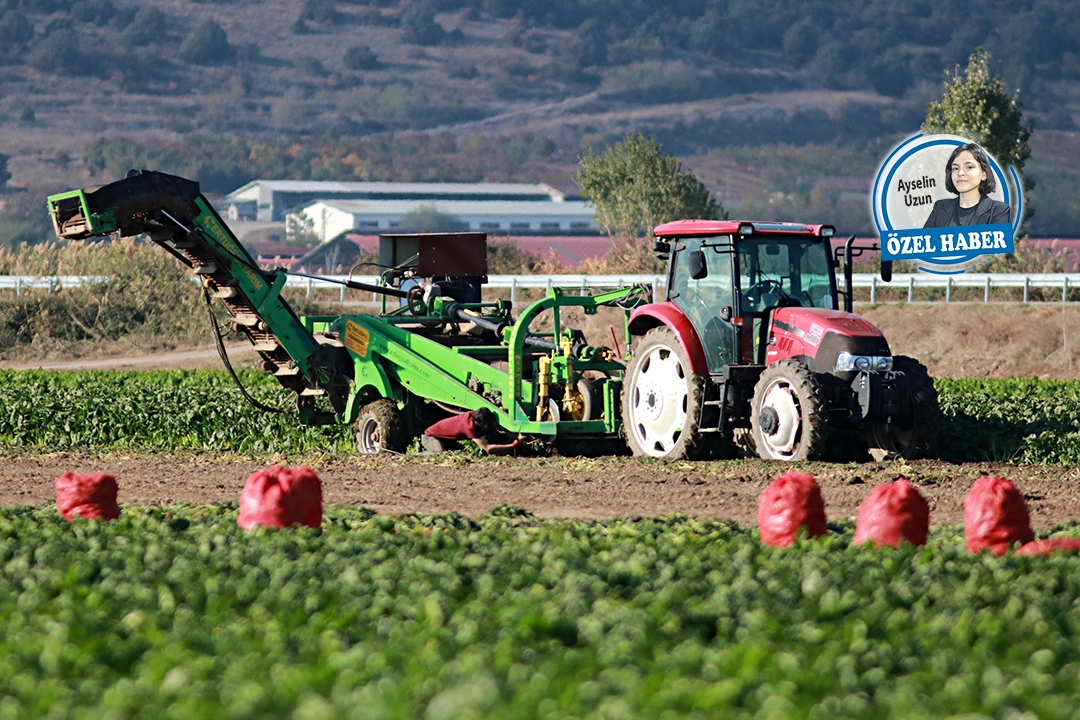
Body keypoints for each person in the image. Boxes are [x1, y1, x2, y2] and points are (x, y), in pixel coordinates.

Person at [923, 143, 1011, 228]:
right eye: (955, 168)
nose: (960, 173)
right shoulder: (940, 208)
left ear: (984, 174)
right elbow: (925, 241)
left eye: (969, 167)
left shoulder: (998, 211)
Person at [422, 407, 520, 454]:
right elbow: (488, 448)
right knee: (438, 452)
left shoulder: (474, 415)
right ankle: (414, 456)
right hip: (430, 437)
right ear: (479, 423)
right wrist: (511, 446)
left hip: (446, 440)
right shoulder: (469, 427)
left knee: (462, 452)